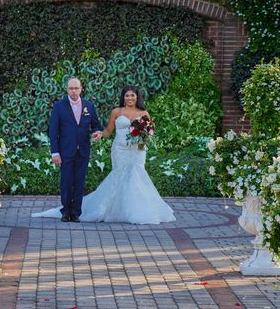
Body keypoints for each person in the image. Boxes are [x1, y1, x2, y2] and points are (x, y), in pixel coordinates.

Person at [33, 85, 175, 224]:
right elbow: (107, 131)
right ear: (123, 97)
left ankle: (135, 210)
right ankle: (72, 211)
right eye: (127, 95)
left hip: (137, 151)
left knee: (137, 176)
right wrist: (99, 134)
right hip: (120, 150)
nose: (130, 98)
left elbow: (149, 133)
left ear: (137, 97)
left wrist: (143, 139)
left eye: (132, 95)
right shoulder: (116, 112)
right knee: (118, 176)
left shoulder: (144, 113)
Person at [46, 77, 103, 222]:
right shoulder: (59, 106)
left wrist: (97, 132)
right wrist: (55, 152)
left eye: (76, 88)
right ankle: (65, 211)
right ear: (67, 89)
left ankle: (76, 212)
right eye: (71, 88)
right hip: (65, 151)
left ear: (81, 88)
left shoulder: (88, 106)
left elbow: (96, 125)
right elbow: (53, 131)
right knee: (66, 181)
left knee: (79, 182)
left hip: (83, 150)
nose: (74, 91)